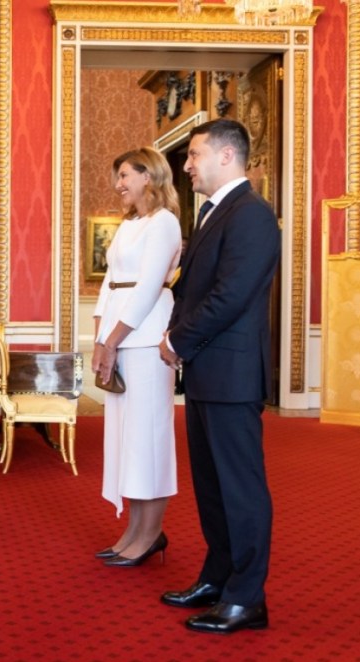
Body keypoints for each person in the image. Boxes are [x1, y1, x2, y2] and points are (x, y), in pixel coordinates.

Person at [158, 119, 280, 635]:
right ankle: (218, 578)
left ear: (227, 156)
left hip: (232, 373)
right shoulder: (213, 212)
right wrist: (178, 335)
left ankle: (246, 599)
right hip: (208, 371)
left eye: (194, 154)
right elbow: (192, 289)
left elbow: (230, 296)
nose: (186, 165)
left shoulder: (251, 214)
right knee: (211, 487)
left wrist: (177, 341)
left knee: (240, 488)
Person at [91, 147, 181, 567]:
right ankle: (133, 531)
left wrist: (112, 340)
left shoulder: (164, 223)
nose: (118, 184)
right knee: (127, 441)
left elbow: (146, 290)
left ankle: (150, 534)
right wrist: (99, 340)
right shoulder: (129, 225)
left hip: (144, 341)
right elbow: (110, 282)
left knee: (149, 440)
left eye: (125, 175)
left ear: (149, 176)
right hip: (118, 335)